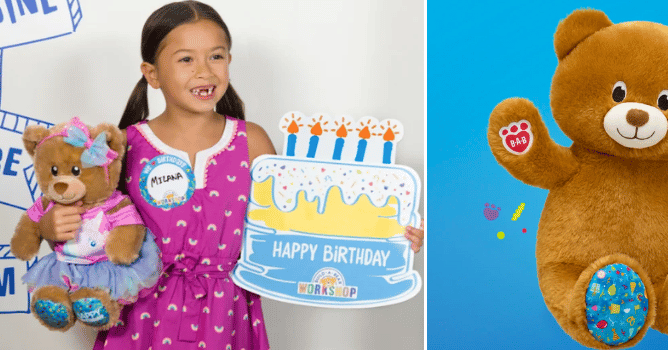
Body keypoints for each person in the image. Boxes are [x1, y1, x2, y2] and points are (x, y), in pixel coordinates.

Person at [36, 1, 424, 349]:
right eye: (186, 59)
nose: (205, 71)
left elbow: (295, 226)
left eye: (216, 56)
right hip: (142, 319)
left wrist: (385, 238)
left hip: (228, 316)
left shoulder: (251, 141)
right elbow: (91, 219)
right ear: (152, 74)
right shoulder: (122, 147)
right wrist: (52, 228)